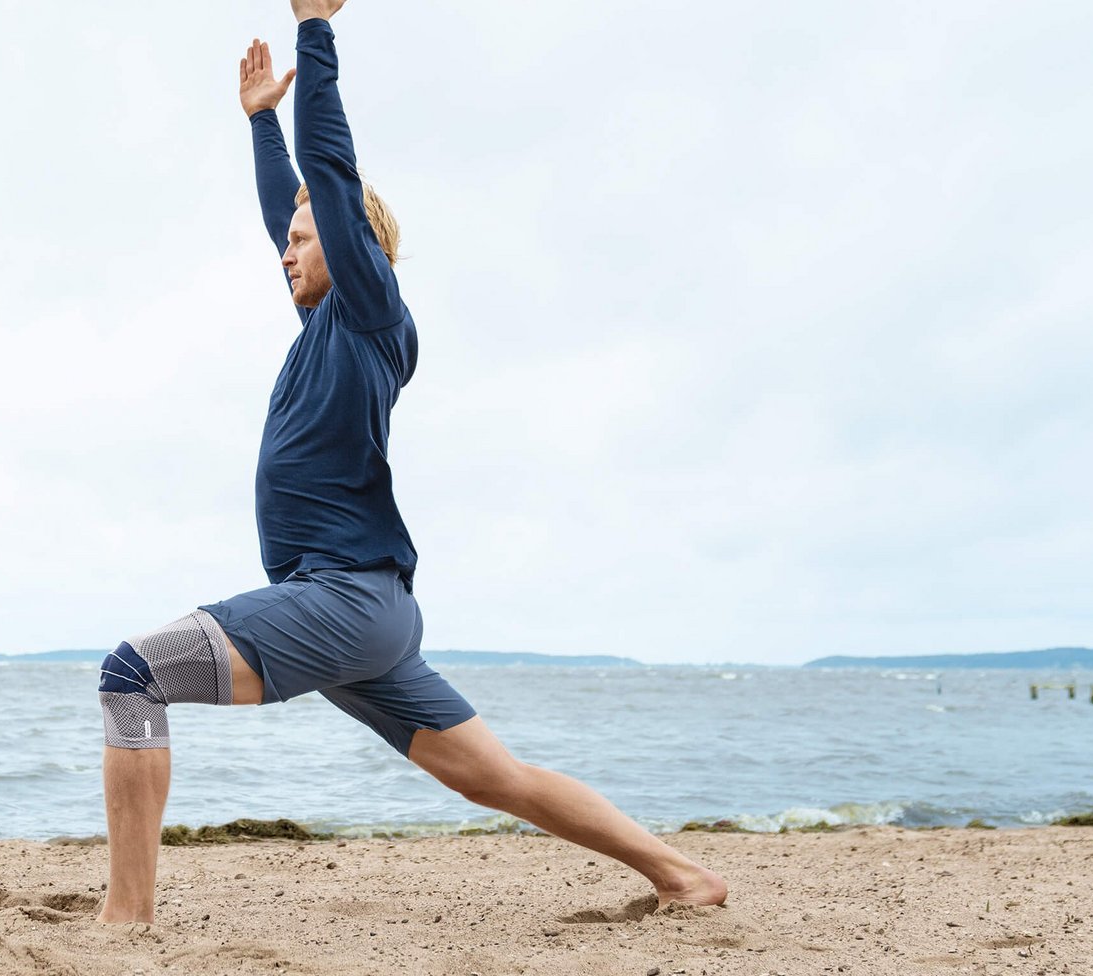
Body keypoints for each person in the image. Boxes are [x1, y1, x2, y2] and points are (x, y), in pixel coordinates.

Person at [96, 0, 727, 925]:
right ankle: (682, 875)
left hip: (348, 598)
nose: (287, 252)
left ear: (361, 250)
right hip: (360, 611)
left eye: (307, 243)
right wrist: (260, 122)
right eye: (290, 243)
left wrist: (315, 31)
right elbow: (297, 203)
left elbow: (330, 182)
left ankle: (126, 919)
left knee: (134, 675)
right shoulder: (324, 326)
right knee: (495, 778)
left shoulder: (370, 315)